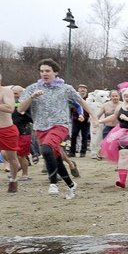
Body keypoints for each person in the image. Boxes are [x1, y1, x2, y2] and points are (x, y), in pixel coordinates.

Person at [18, 58, 99, 199]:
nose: (44, 73)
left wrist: (93, 116)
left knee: (47, 149)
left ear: (55, 72)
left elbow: (81, 102)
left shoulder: (65, 88)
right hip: (41, 127)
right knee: (54, 157)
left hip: (60, 125)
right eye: (42, 71)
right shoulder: (32, 88)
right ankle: (71, 185)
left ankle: (53, 183)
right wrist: (31, 97)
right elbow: (20, 109)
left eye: (47, 71)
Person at [11, 86, 33, 182]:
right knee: (8, 154)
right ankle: (16, 170)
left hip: (24, 131)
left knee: (21, 155)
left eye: (16, 93)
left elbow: (33, 118)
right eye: (12, 93)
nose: (14, 95)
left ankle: (25, 174)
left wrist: (25, 114)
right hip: (11, 131)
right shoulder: (9, 102)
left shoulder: (26, 104)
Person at [68, 84, 91, 158]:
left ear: (86, 90)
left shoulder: (89, 99)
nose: (82, 90)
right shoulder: (74, 98)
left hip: (86, 120)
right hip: (76, 120)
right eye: (81, 88)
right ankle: (72, 152)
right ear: (78, 90)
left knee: (85, 136)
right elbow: (71, 108)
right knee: (74, 136)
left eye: (84, 88)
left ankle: (83, 152)